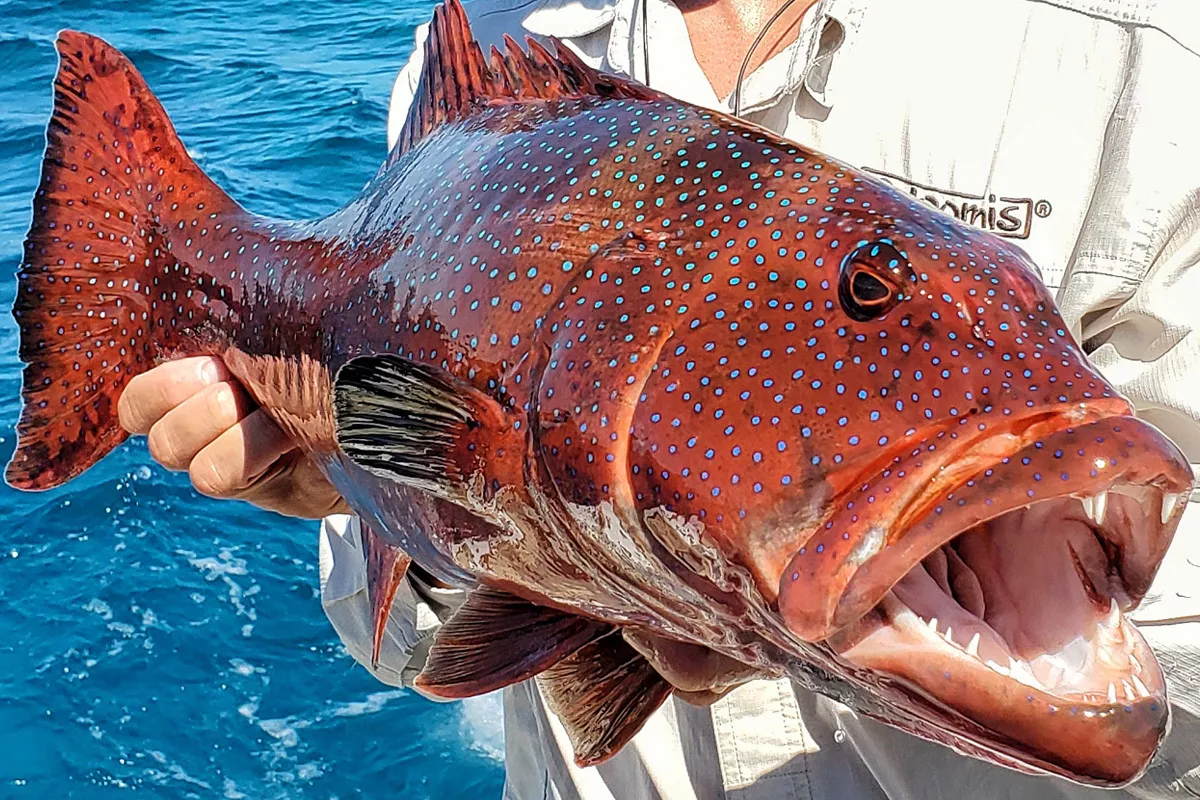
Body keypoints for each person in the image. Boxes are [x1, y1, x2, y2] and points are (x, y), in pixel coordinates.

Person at [116, 0, 1200, 796]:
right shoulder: (492, 34)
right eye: (867, 293)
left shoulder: (1139, 54)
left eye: (865, 291)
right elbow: (400, 640)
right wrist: (358, 479)